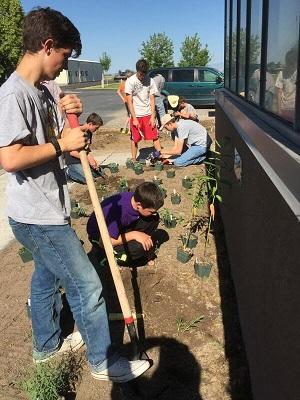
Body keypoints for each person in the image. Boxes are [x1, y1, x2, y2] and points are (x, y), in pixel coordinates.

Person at [0, 7, 150, 382]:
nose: (64, 67)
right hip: (38, 216)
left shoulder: (45, 88)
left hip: (48, 206)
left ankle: (46, 346)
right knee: (87, 285)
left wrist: (76, 119)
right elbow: (10, 158)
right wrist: (60, 144)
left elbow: (65, 134)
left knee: (46, 279)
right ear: (47, 46)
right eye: (64, 57)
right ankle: (104, 362)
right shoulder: (13, 95)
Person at [87, 182, 164, 266]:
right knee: (138, 248)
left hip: (119, 228)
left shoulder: (136, 199)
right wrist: (134, 235)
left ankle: (144, 244)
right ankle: (108, 257)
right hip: (101, 239)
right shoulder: (118, 212)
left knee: (154, 218)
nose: (154, 213)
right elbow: (105, 241)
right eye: (151, 211)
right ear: (139, 205)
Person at [125, 59, 162, 162]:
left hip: (147, 114)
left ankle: (160, 156)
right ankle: (133, 159)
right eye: (141, 74)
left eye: (144, 74)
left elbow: (152, 99)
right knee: (135, 138)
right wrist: (134, 118)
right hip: (136, 114)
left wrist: (152, 116)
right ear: (137, 71)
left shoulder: (150, 81)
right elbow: (129, 102)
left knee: (154, 136)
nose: (142, 77)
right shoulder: (130, 81)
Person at [65, 113, 106, 183]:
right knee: (87, 179)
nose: (97, 129)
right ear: (90, 124)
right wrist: (88, 159)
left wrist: (93, 160)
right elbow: (72, 153)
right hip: (73, 161)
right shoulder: (78, 132)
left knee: (98, 173)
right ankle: (68, 172)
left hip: (83, 160)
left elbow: (87, 148)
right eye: (96, 127)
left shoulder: (89, 133)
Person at [275, 47, 298, 122]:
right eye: (288, 60)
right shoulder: (281, 74)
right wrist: (278, 110)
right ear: (286, 60)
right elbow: (279, 92)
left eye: (292, 60)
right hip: (285, 108)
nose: (290, 62)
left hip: (296, 108)